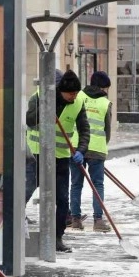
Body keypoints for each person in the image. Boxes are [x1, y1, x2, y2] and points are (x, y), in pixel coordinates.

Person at [25, 69, 90, 253]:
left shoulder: (78, 103)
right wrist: (46, 108)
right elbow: (29, 120)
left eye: (76, 93)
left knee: (62, 199)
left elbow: (84, 130)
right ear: (60, 90)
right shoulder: (39, 97)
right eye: (70, 93)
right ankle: (13, 232)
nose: (74, 96)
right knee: (24, 194)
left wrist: (81, 150)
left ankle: (57, 238)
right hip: (35, 156)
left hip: (60, 157)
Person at [69, 71, 113, 232]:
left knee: (75, 184)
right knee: (97, 185)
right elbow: (107, 129)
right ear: (102, 87)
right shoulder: (105, 103)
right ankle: (98, 221)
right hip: (96, 149)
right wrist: (103, 144)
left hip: (76, 146)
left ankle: (75, 219)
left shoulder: (78, 96)